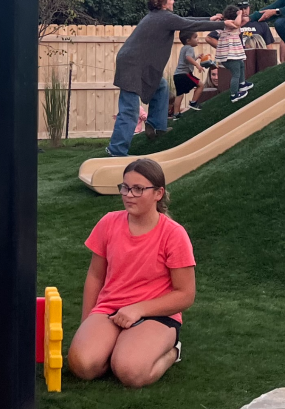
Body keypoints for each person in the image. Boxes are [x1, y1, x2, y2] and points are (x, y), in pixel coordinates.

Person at [67, 158, 195, 389]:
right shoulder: (108, 223)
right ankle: (116, 347)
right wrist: (87, 322)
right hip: (110, 309)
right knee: (83, 366)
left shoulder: (174, 234)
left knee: (130, 372)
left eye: (138, 189)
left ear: (158, 193)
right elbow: (95, 276)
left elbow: (185, 294)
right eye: (125, 187)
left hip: (156, 315)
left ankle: (171, 352)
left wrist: (138, 309)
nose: (128, 194)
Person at [108, 0, 239, 157]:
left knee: (161, 87)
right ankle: (116, 151)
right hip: (132, 65)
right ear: (163, 4)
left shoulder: (160, 17)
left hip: (137, 63)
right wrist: (222, 24)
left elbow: (185, 21)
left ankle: (155, 127)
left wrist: (209, 19)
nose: (173, 1)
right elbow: (190, 25)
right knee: (130, 109)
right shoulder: (163, 17)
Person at [210, 4, 250, 101]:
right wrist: (240, 14)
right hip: (231, 56)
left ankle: (242, 84)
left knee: (241, 65)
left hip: (228, 56)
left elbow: (246, 20)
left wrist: (217, 17)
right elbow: (237, 23)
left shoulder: (222, 25)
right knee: (236, 74)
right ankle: (234, 94)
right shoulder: (230, 25)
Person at [171, 30, 211, 116]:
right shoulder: (189, 48)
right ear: (188, 41)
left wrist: (196, 57)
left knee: (180, 95)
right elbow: (188, 58)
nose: (197, 39)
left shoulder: (184, 48)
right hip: (184, 74)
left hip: (177, 75)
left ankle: (176, 114)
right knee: (201, 85)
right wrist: (197, 65)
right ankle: (193, 103)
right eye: (195, 37)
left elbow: (187, 60)